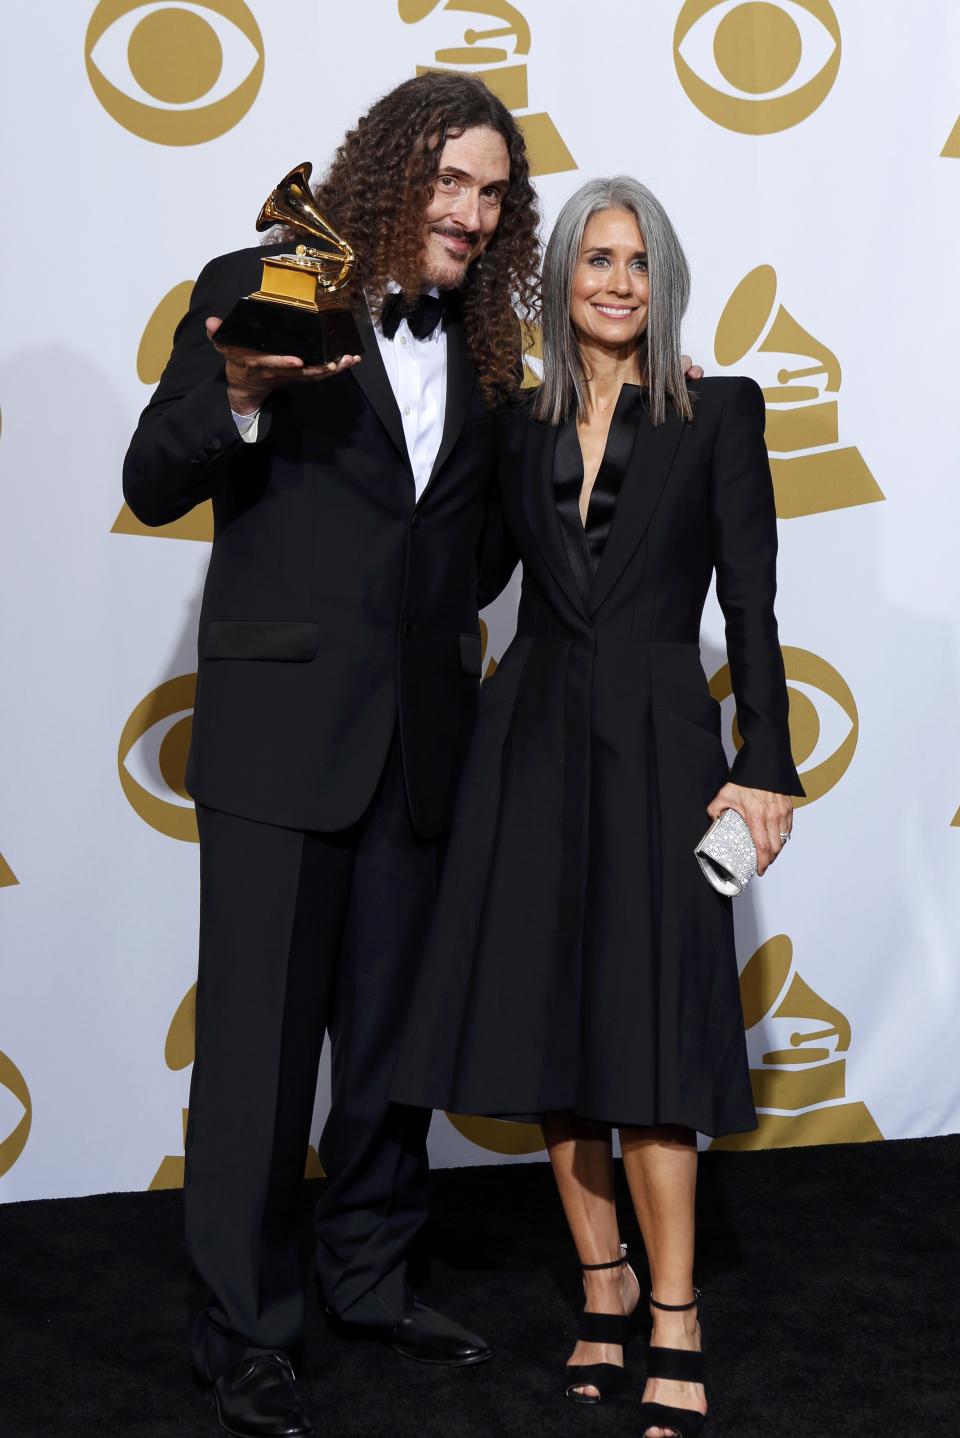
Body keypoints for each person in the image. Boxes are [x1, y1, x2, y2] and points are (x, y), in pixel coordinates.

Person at [122, 72, 542, 1438]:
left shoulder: (490, 342)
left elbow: (472, 547)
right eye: (449, 183)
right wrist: (236, 389)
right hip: (280, 739)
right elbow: (150, 473)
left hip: (422, 742)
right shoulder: (265, 277)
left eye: (492, 193)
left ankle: (368, 1275)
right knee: (256, 1054)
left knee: (386, 1049)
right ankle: (242, 1326)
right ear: (388, 171)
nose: (471, 216)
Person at [392, 176, 804, 1438]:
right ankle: (603, 1282)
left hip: (665, 750)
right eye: (596, 259)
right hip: (529, 746)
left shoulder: (718, 412)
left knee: (654, 1043)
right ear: (562, 275)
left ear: (661, 278)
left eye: (639, 261)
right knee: (552, 1037)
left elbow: (750, 605)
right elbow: (468, 572)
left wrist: (768, 763)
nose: (618, 281)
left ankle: (675, 1312)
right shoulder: (519, 426)